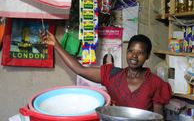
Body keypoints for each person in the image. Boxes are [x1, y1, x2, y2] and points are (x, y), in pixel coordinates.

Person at [42, 32, 172, 116]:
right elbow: (79, 69)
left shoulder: (156, 83)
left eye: (140, 53)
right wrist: (56, 45)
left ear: (148, 56)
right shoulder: (112, 75)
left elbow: (158, 118)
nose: (134, 56)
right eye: (131, 51)